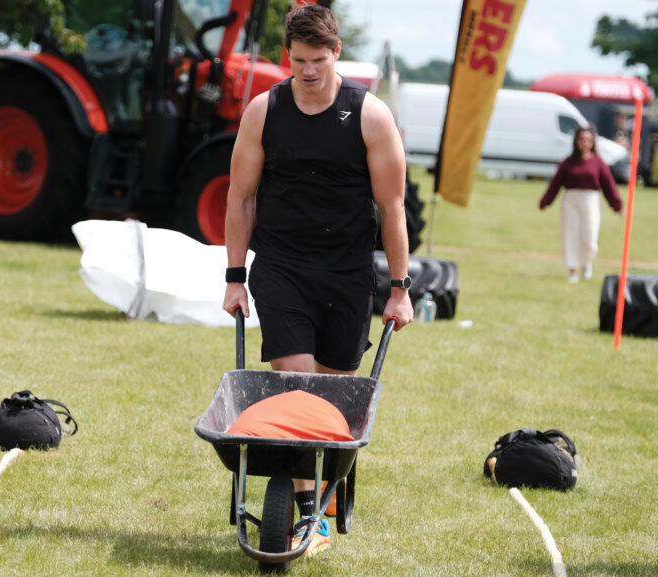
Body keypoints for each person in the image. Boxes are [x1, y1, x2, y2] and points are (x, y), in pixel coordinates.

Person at [221, 4, 413, 557]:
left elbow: (392, 208)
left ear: (336, 55)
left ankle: (323, 496)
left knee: (332, 396)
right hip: (280, 265)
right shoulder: (265, 111)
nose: (308, 71)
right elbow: (240, 197)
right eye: (298, 60)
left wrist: (399, 289)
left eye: (318, 61)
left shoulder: (370, 116)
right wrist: (236, 278)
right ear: (289, 56)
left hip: (348, 273)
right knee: (297, 386)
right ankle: (309, 516)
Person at [539, 127, 623, 283]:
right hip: (571, 201)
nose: (585, 143)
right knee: (571, 235)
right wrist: (545, 201)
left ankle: (586, 263)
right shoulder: (568, 162)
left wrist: (617, 205)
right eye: (582, 139)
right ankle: (572, 270)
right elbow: (556, 184)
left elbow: (608, 185)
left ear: (592, 143)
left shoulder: (598, 162)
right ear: (576, 141)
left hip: (590, 200)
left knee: (589, 234)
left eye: (588, 140)